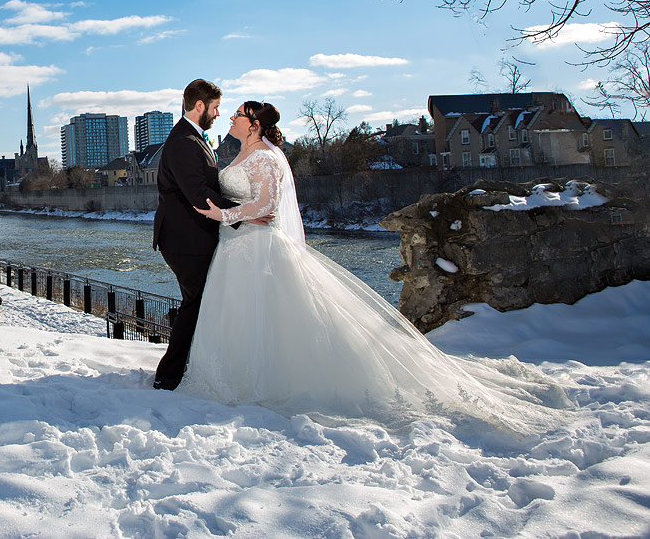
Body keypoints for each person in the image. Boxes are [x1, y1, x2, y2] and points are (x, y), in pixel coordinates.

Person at [180, 100, 571, 433]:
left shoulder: (265, 157)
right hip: (237, 250)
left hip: (258, 248)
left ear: (255, 125)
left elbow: (266, 208)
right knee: (244, 316)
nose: (231, 118)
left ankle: (262, 383)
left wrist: (223, 215)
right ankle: (235, 379)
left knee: (273, 315)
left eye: (238, 115)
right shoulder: (242, 153)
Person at [151, 80, 271, 391]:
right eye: (216, 107)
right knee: (197, 302)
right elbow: (199, 194)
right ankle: (169, 376)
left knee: (201, 302)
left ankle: (186, 368)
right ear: (200, 106)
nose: (219, 114)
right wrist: (245, 214)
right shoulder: (183, 142)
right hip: (184, 239)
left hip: (193, 236)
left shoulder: (193, 138)